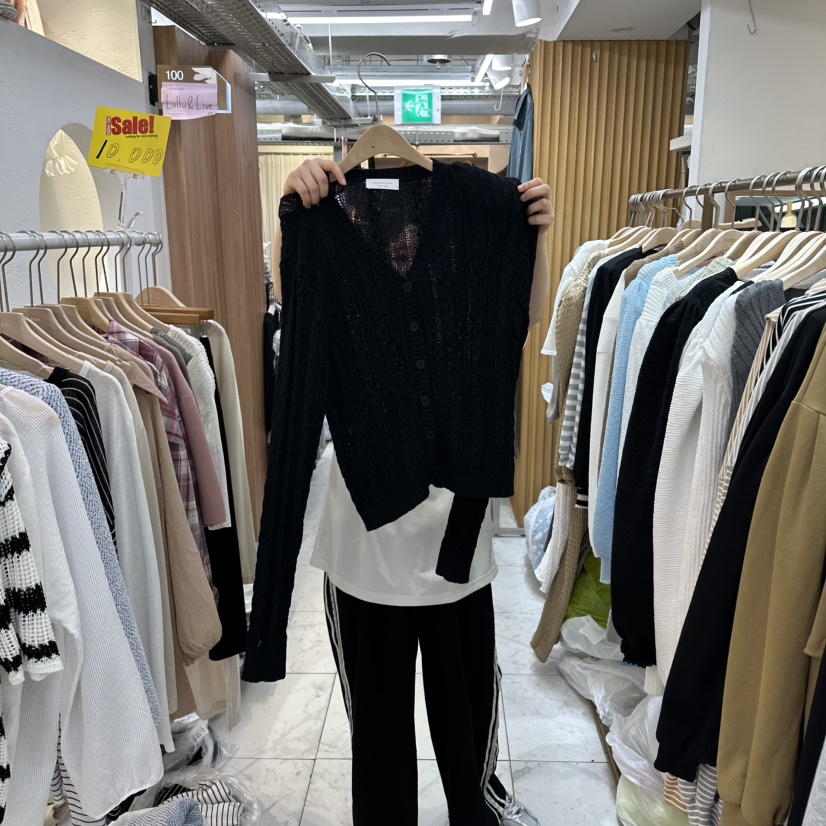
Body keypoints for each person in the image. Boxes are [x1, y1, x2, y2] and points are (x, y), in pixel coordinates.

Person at [275, 157, 554, 826]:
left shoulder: (475, 218)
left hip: (457, 540)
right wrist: (289, 212)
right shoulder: (325, 222)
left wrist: (535, 234)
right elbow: (300, 312)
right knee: (379, 751)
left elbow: (521, 317)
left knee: (468, 740)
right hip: (363, 545)